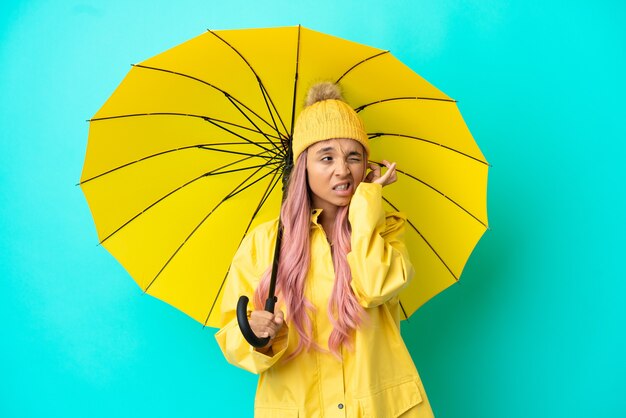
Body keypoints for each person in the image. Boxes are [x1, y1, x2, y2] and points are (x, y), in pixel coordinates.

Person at [215, 82, 435, 418]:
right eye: (326, 157)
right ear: (303, 165)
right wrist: (258, 336)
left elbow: (376, 287)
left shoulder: (385, 229)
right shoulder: (264, 244)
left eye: (354, 157)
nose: (343, 170)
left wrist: (366, 207)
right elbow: (233, 334)